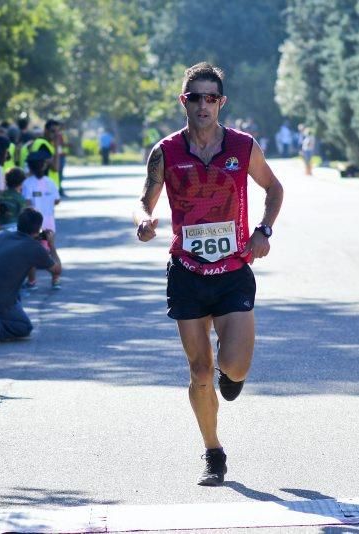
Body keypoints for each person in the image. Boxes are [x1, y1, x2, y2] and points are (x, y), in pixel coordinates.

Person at [136, 62, 284, 486]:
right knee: (199, 372)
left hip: (234, 269)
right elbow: (144, 200)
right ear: (184, 101)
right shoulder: (166, 151)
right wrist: (143, 221)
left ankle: (229, 376)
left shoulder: (242, 146)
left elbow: (274, 188)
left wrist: (264, 229)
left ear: (222, 102)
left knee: (234, 369)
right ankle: (213, 452)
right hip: (186, 270)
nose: (203, 105)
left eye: (211, 97)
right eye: (195, 97)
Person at [0, 208, 61, 344]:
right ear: (38, 228)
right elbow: (57, 270)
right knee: (24, 328)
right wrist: (51, 245)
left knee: (15, 292)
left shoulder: (1, 236)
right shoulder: (34, 248)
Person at [22, 150, 61, 289]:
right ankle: (55, 279)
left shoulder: (27, 183)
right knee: (50, 249)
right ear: (44, 166)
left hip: (33, 223)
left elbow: (26, 202)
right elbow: (57, 200)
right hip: (49, 221)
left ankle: (32, 281)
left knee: (32, 251)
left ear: (30, 167)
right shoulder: (50, 182)